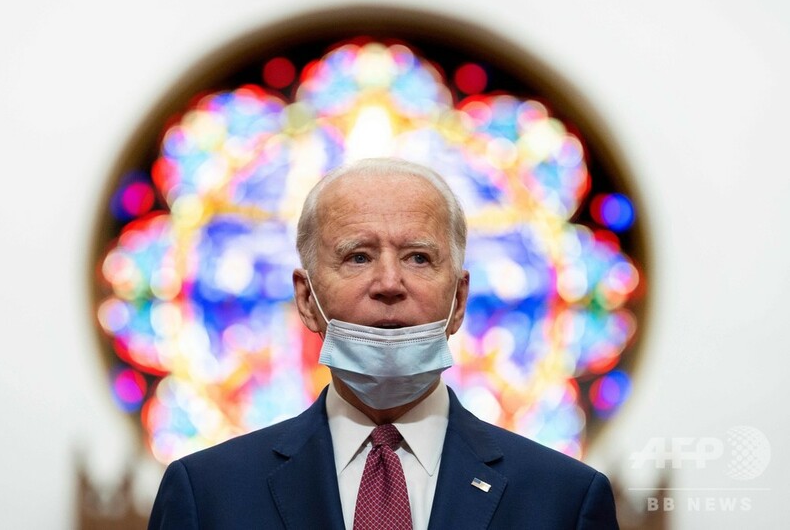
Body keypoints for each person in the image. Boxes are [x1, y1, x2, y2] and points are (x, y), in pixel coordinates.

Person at [148, 157, 619, 529]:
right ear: (307, 300)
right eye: (358, 257)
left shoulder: (563, 500)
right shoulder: (209, 495)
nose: (389, 283)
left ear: (459, 300)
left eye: (418, 258)